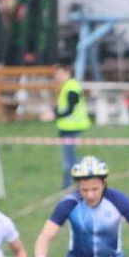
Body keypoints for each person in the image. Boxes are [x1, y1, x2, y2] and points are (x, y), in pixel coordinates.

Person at [48, 60, 92, 189]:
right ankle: (71, 185)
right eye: (57, 74)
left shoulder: (71, 87)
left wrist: (54, 115)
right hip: (67, 128)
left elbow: (70, 109)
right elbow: (63, 106)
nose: (58, 77)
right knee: (70, 159)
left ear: (68, 72)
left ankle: (68, 187)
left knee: (69, 162)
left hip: (73, 128)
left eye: (61, 73)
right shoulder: (66, 86)